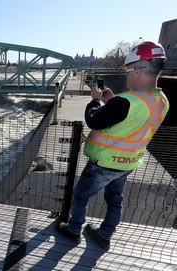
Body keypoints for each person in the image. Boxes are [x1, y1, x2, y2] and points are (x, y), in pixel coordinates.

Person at [55, 41, 170, 251]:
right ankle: (104, 235)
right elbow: (132, 118)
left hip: (105, 162)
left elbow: (94, 120)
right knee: (115, 200)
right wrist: (111, 101)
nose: (126, 75)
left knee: (81, 196)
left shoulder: (126, 101)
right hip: (129, 162)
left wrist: (95, 101)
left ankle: (73, 231)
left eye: (128, 70)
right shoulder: (161, 100)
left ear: (138, 70)